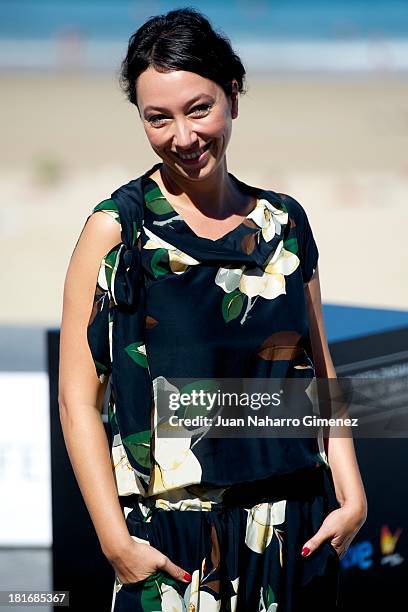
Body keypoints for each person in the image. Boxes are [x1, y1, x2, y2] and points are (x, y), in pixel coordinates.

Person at [58, 7, 367, 611]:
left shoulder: (285, 223)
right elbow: (78, 399)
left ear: (232, 95)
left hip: (294, 524)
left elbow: (319, 369)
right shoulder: (118, 229)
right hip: (171, 538)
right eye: (158, 118)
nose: (183, 136)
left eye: (199, 108)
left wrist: (350, 493)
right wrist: (116, 543)